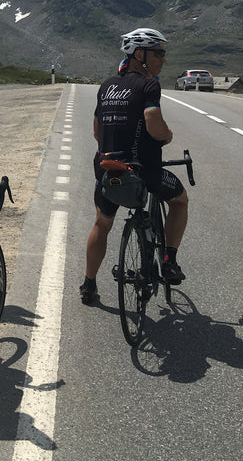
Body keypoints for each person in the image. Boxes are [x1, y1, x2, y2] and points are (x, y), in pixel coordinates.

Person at [80, 27, 190, 305]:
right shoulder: (149, 85)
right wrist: (168, 135)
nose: (163, 59)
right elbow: (154, 126)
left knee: (101, 224)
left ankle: (88, 285)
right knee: (180, 201)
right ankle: (169, 260)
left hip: (107, 169)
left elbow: (96, 130)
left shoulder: (106, 86)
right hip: (143, 171)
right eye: (159, 53)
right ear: (139, 54)